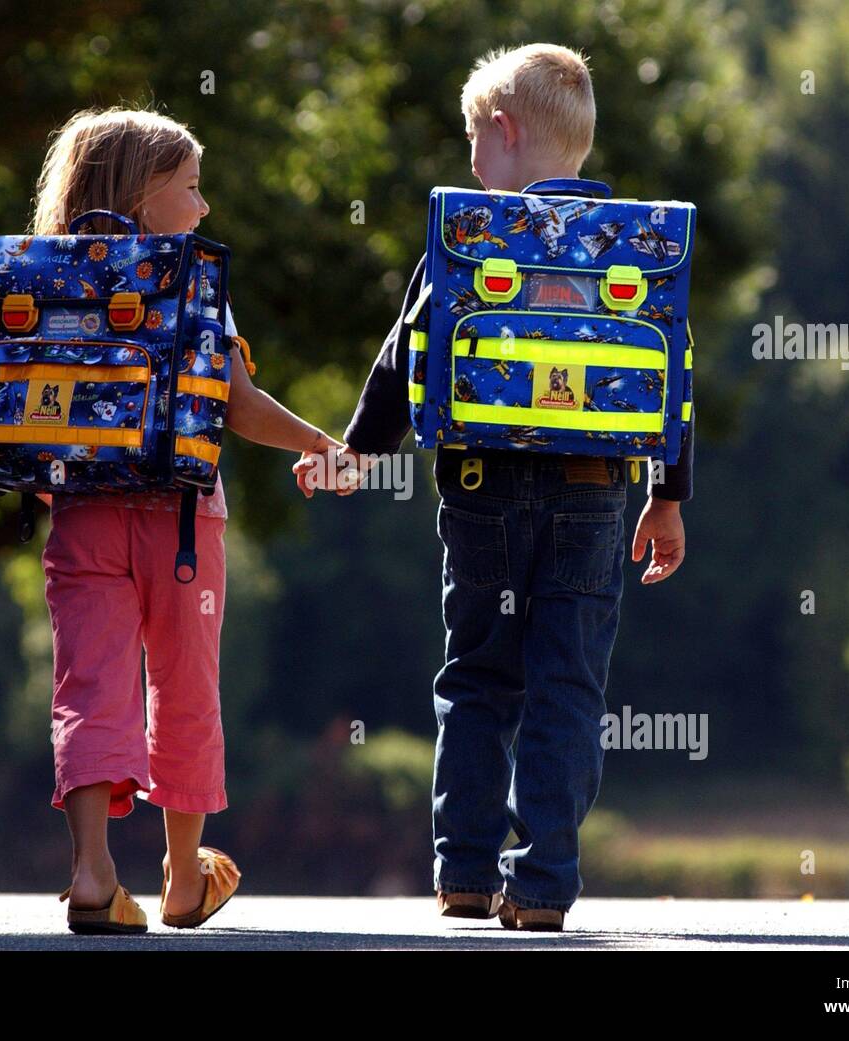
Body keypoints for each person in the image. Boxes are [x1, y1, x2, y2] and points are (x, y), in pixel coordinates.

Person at [296, 44, 692, 931]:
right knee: (568, 685)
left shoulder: (471, 233)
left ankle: (466, 871)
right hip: (596, 493)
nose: (471, 156)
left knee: (477, 675)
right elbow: (675, 378)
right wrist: (668, 495)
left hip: (481, 488)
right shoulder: (638, 242)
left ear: (504, 133)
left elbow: (406, 354)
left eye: (475, 135)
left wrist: (357, 452)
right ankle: (544, 880)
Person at [31, 106, 344, 932]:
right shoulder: (188, 280)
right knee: (184, 687)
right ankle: (181, 874)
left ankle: (93, 871)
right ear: (141, 195)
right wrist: (321, 442)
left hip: (81, 517)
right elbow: (236, 405)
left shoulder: (40, 273)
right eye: (193, 188)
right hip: (181, 521)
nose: (204, 209)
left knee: (89, 687)